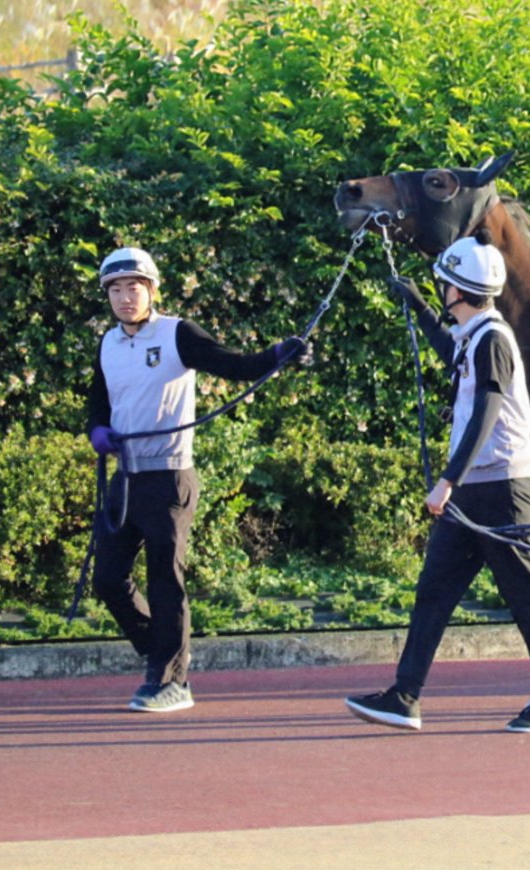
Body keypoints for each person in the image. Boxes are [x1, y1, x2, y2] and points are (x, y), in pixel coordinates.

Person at [345, 234, 530, 733]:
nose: (441, 290)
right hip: (475, 489)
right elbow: (447, 347)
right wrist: (417, 305)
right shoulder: (476, 334)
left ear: (459, 290)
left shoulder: (493, 339)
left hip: (503, 488)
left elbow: (487, 413)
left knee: (524, 594)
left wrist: (447, 480)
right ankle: (404, 696)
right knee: (434, 590)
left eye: (442, 285)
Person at [86, 246, 305, 713]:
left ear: (152, 291)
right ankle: (164, 653)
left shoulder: (176, 334)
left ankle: (172, 681)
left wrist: (278, 354)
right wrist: (96, 429)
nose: (125, 298)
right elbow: (98, 399)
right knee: (107, 579)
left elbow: (232, 364)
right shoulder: (107, 342)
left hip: (169, 477)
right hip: (125, 477)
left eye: (134, 288)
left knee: (165, 578)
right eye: (117, 290)